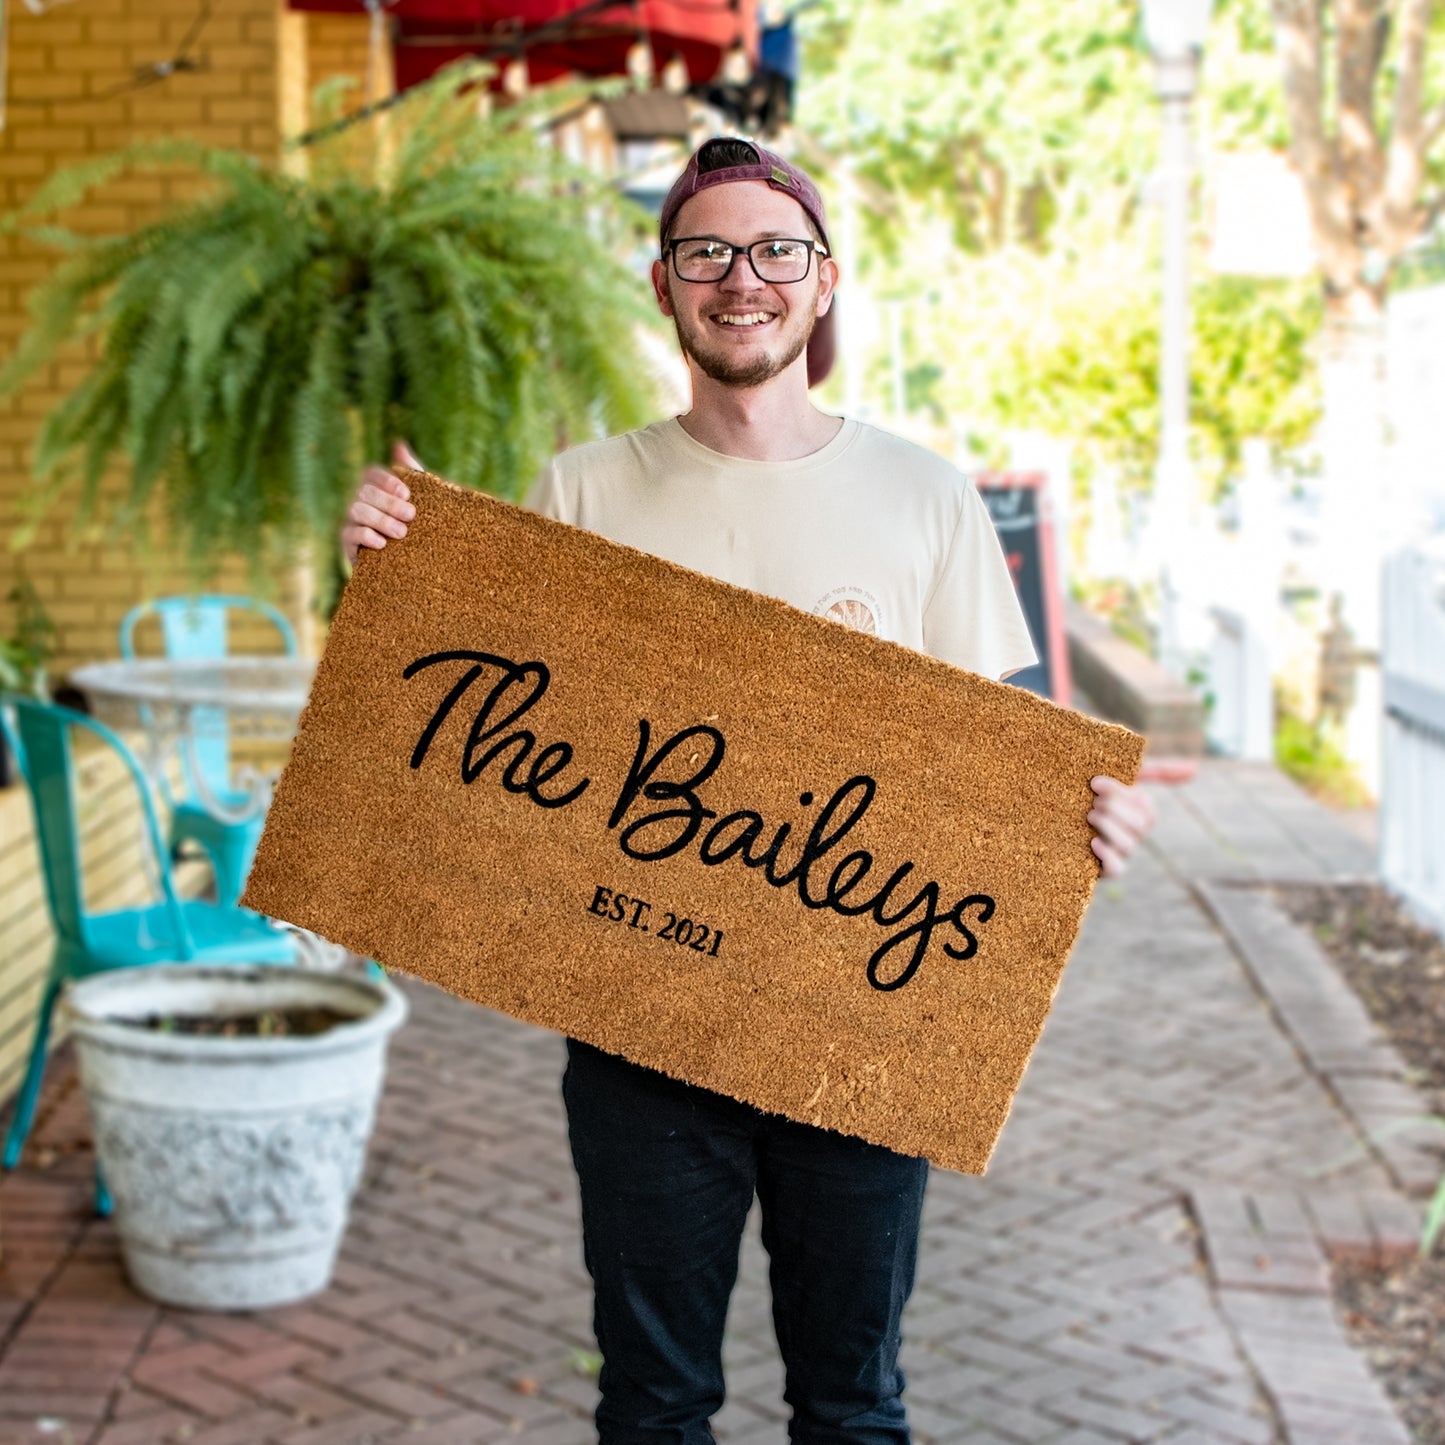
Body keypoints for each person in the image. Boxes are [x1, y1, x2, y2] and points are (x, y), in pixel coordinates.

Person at [342, 136, 1169, 1444]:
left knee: (851, 1404)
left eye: (775, 250)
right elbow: (478, 718)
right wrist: (390, 572)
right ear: (663, 286)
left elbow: (1003, 755)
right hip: (637, 1017)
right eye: (706, 252)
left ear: (824, 281)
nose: (743, 277)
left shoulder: (924, 496)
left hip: (861, 1018)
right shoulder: (581, 488)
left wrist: (1088, 818)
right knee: (654, 1400)